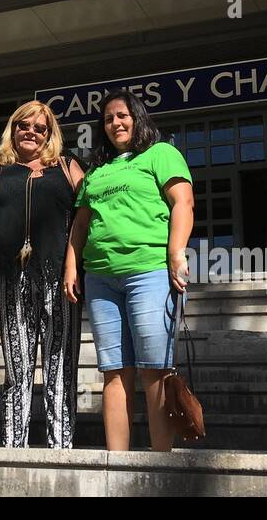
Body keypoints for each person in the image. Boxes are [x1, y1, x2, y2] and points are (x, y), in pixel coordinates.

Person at [62, 89, 194, 452]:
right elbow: (81, 223)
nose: (115, 123)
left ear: (137, 117)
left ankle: (159, 460)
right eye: (107, 119)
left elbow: (183, 202)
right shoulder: (97, 171)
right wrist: (72, 266)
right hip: (101, 278)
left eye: (122, 115)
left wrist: (176, 254)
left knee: (154, 368)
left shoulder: (161, 153)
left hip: (149, 272)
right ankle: (116, 464)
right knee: (114, 371)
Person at [0, 101, 84, 448]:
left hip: (60, 281)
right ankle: (12, 447)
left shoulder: (67, 167)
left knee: (60, 367)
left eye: (40, 128)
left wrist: (74, 264)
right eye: (24, 125)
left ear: (50, 134)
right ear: (13, 129)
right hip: (11, 281)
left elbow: (89, 214)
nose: (31, 132)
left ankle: (60, 448)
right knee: (17, 367)